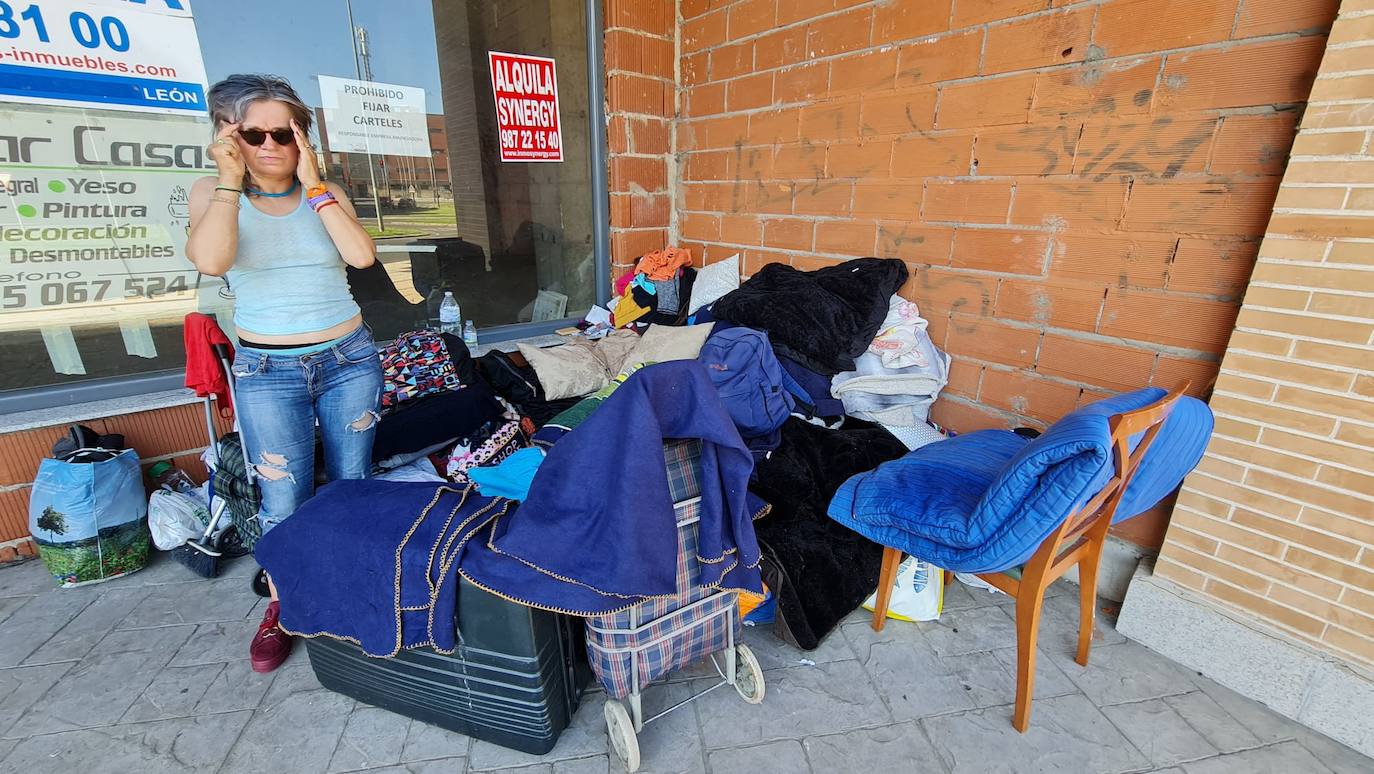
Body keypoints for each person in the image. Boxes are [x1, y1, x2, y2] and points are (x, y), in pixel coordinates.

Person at [187, 74, 382, 674]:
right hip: (267, 368)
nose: (270, 144)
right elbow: (213, 259)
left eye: (284, 131)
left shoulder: (326, 193)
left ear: (303, 137)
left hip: (348, 359)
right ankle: (285, 602)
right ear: (228, 136)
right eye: (253, 132)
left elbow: (361, 256)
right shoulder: (213, 195)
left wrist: (315, 185)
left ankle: (350, 589)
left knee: (354, 482)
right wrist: (227, 178)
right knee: (283, 498)